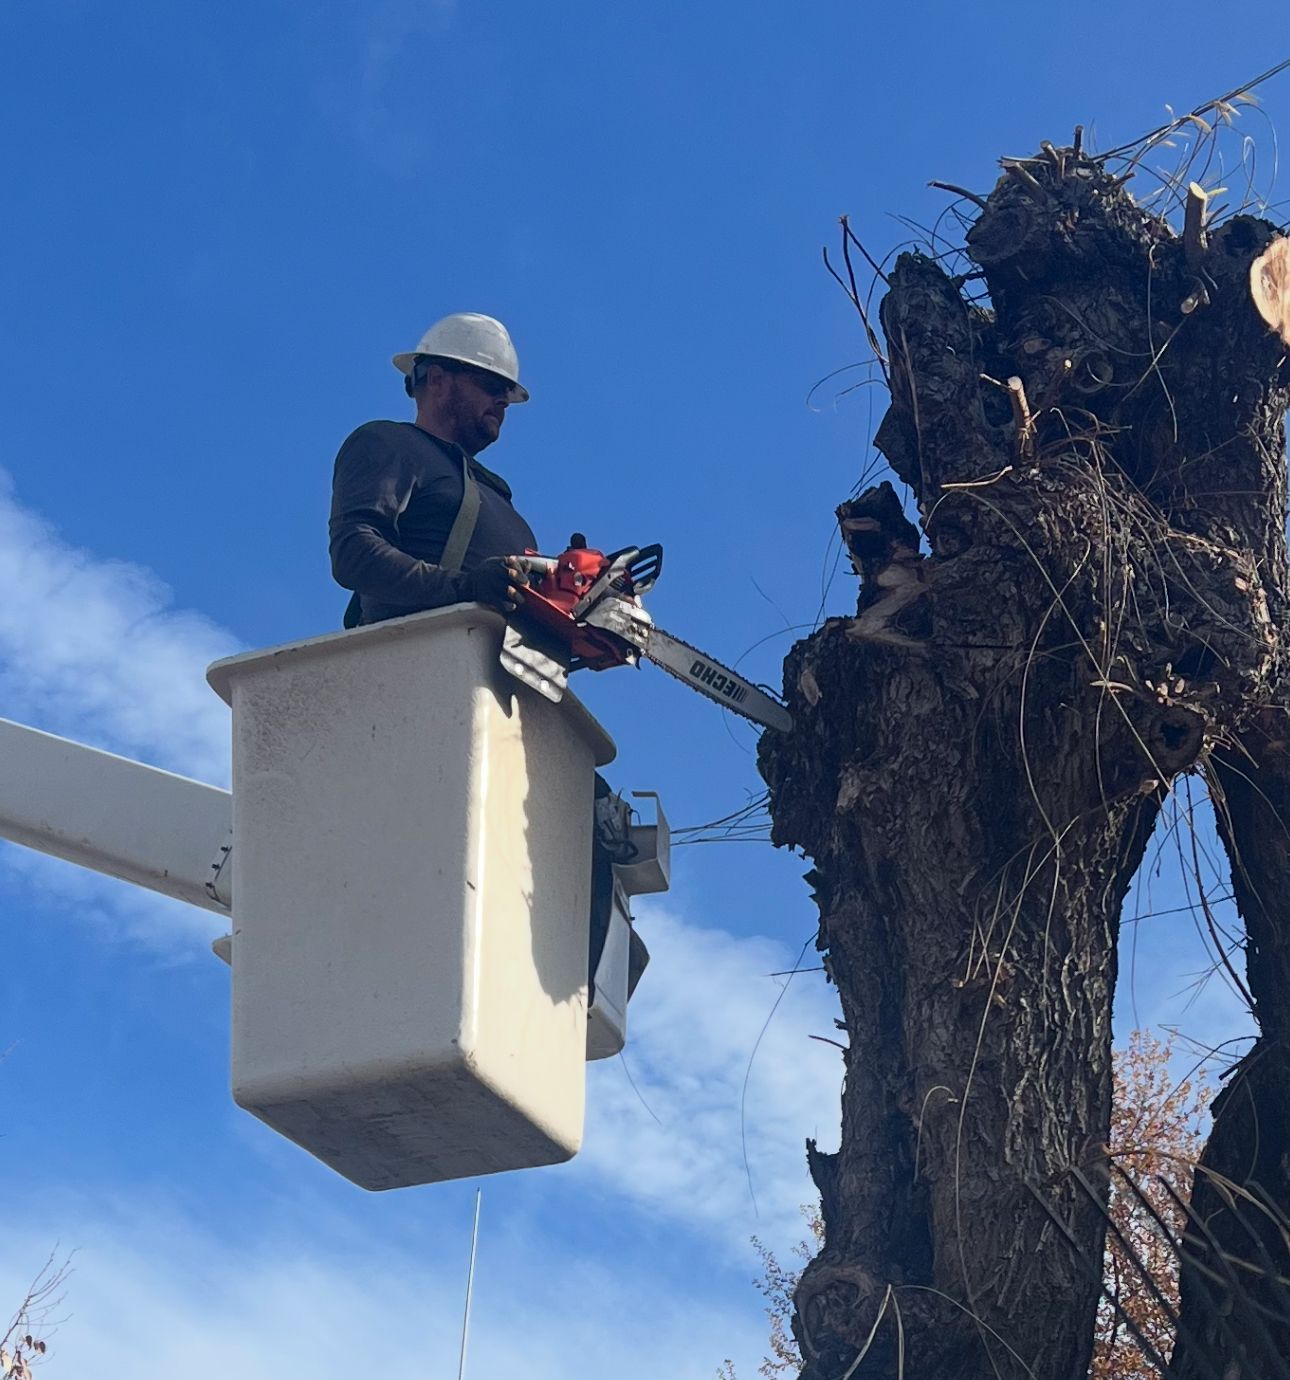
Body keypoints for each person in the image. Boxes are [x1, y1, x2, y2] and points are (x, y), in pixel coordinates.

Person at [329, 313, 534, 627]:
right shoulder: (392, 444)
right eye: (490, 385)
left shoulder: (499, 497)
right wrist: (463, 589)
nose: (501, 401)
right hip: (416, 660)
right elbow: (355, 552)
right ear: (438, 381)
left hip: (495, 671)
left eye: (506, 394)